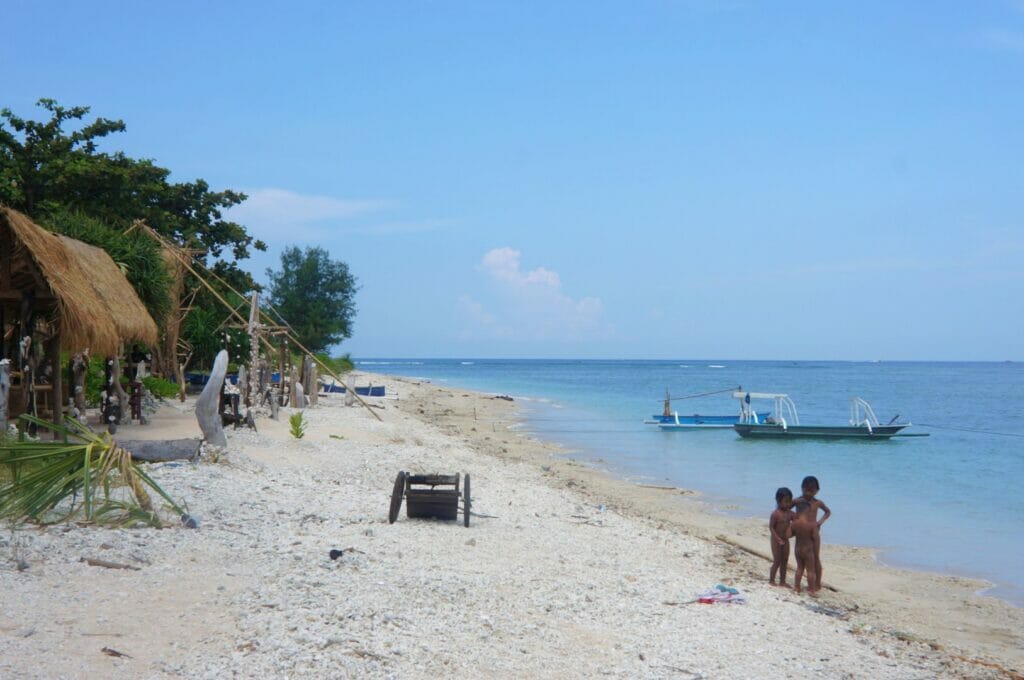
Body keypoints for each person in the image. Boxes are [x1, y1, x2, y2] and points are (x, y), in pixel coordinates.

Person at [799, 475, 831, 592]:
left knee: (816, 557)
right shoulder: (799, 501)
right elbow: (787, 507)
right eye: (807, 490)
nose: (809, 494)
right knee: (802, 556)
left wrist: (820, 522)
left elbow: (828, 512)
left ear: (817, 491)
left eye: (812, 491)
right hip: (802, 534)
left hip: (814, 533)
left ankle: (817, 583)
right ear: (802, 488)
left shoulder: (817, 503)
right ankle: (806, 582)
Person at [791, 500, 818, 594]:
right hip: (808, 550)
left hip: (798, 549)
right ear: (808, 511)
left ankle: (797, 587)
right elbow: (815, 537)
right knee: (810, 570)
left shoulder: (795, 523)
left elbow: (789, 534)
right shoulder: (811, 525)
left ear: (797, 511)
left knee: (799, 568)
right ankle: (811, 589)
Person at [769, 487, 794, 587]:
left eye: (790, 502)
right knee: (777, 560)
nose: (788, 504)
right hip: (776, 540)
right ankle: (771, 580)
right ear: (778, 501)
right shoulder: (775, 514)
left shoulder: (790, 513)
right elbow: (771, 527)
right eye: (786, 502)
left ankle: (782, 581)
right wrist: (777, 538)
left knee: (785, 560)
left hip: (785, 540)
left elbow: (797, 519)